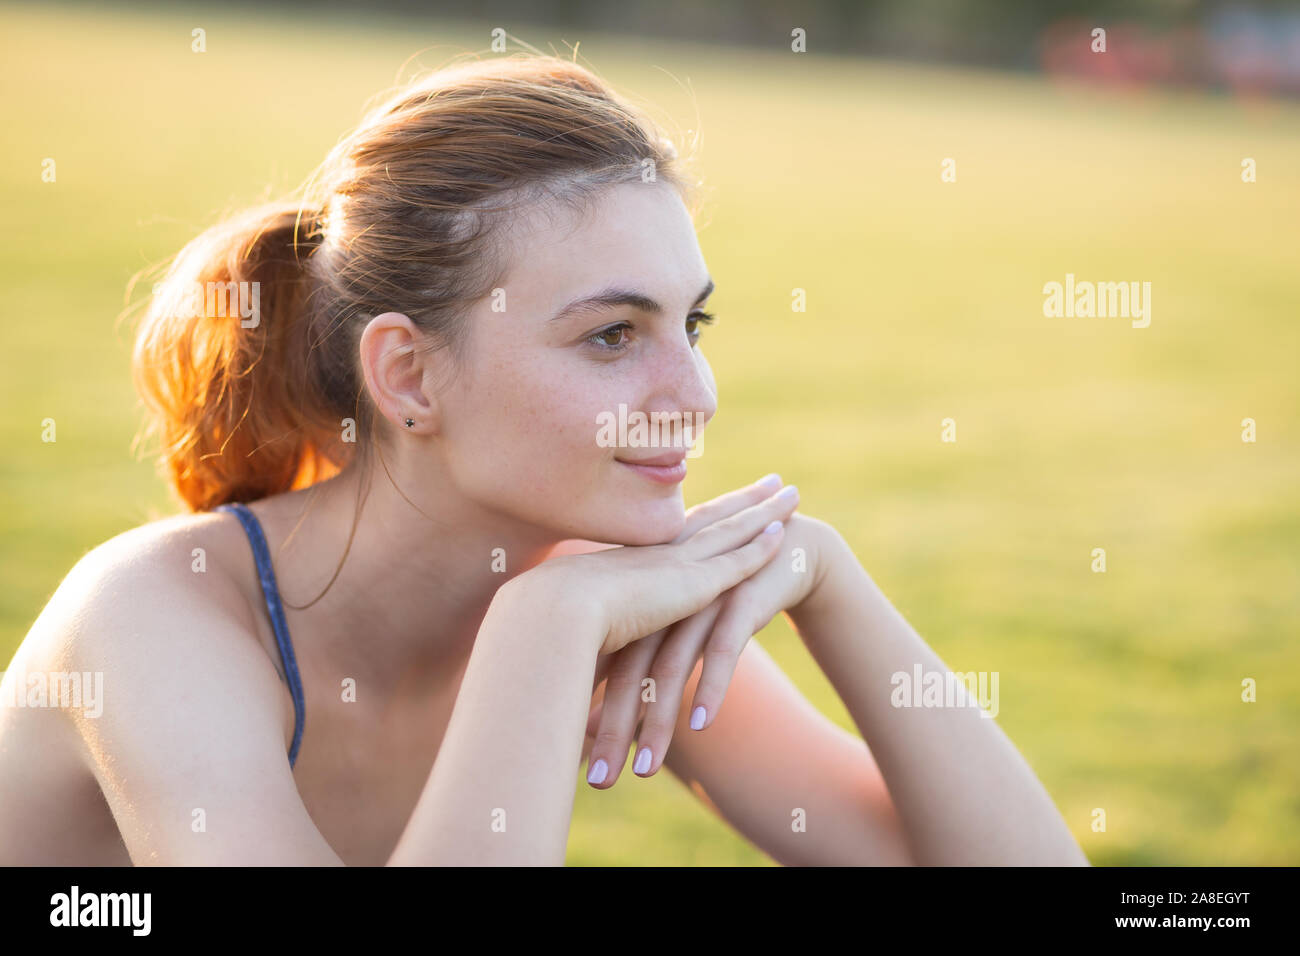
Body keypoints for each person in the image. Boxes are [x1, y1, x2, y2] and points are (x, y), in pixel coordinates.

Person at [0, 54, 1088, 866]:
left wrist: (828, 576)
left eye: (689, 327)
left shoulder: (590, 577)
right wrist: (541, 630)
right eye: (612, 335)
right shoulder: (150, 617)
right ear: (410, 376)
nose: (693, 396)